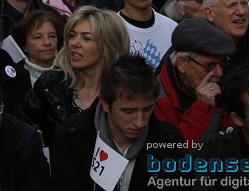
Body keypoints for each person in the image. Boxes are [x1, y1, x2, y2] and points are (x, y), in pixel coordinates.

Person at [51, 54, 184, 191]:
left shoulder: (169, 141)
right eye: (128, 111)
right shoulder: (71, 136)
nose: (140, 122)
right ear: (105, 103)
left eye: (147, 109)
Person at [20, 6, 130, 145]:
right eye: (72, 36)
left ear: (107, 45)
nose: (75, 43)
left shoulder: (125, 91)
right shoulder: (49, 85)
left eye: (86, 38)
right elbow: (19, 134)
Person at [155, 18, 236, 142]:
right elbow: (178, 153)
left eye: (222, 63)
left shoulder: (228, 84)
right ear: (182, 64)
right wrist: (203, 108)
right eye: (209, 66)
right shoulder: (155, 101)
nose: (219, 72)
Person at [11, 9, 63, 87]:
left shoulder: (69, 74)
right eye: (38, 37)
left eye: (52, 36)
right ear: (24, 45)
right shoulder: (16, 79)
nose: (47, 42)